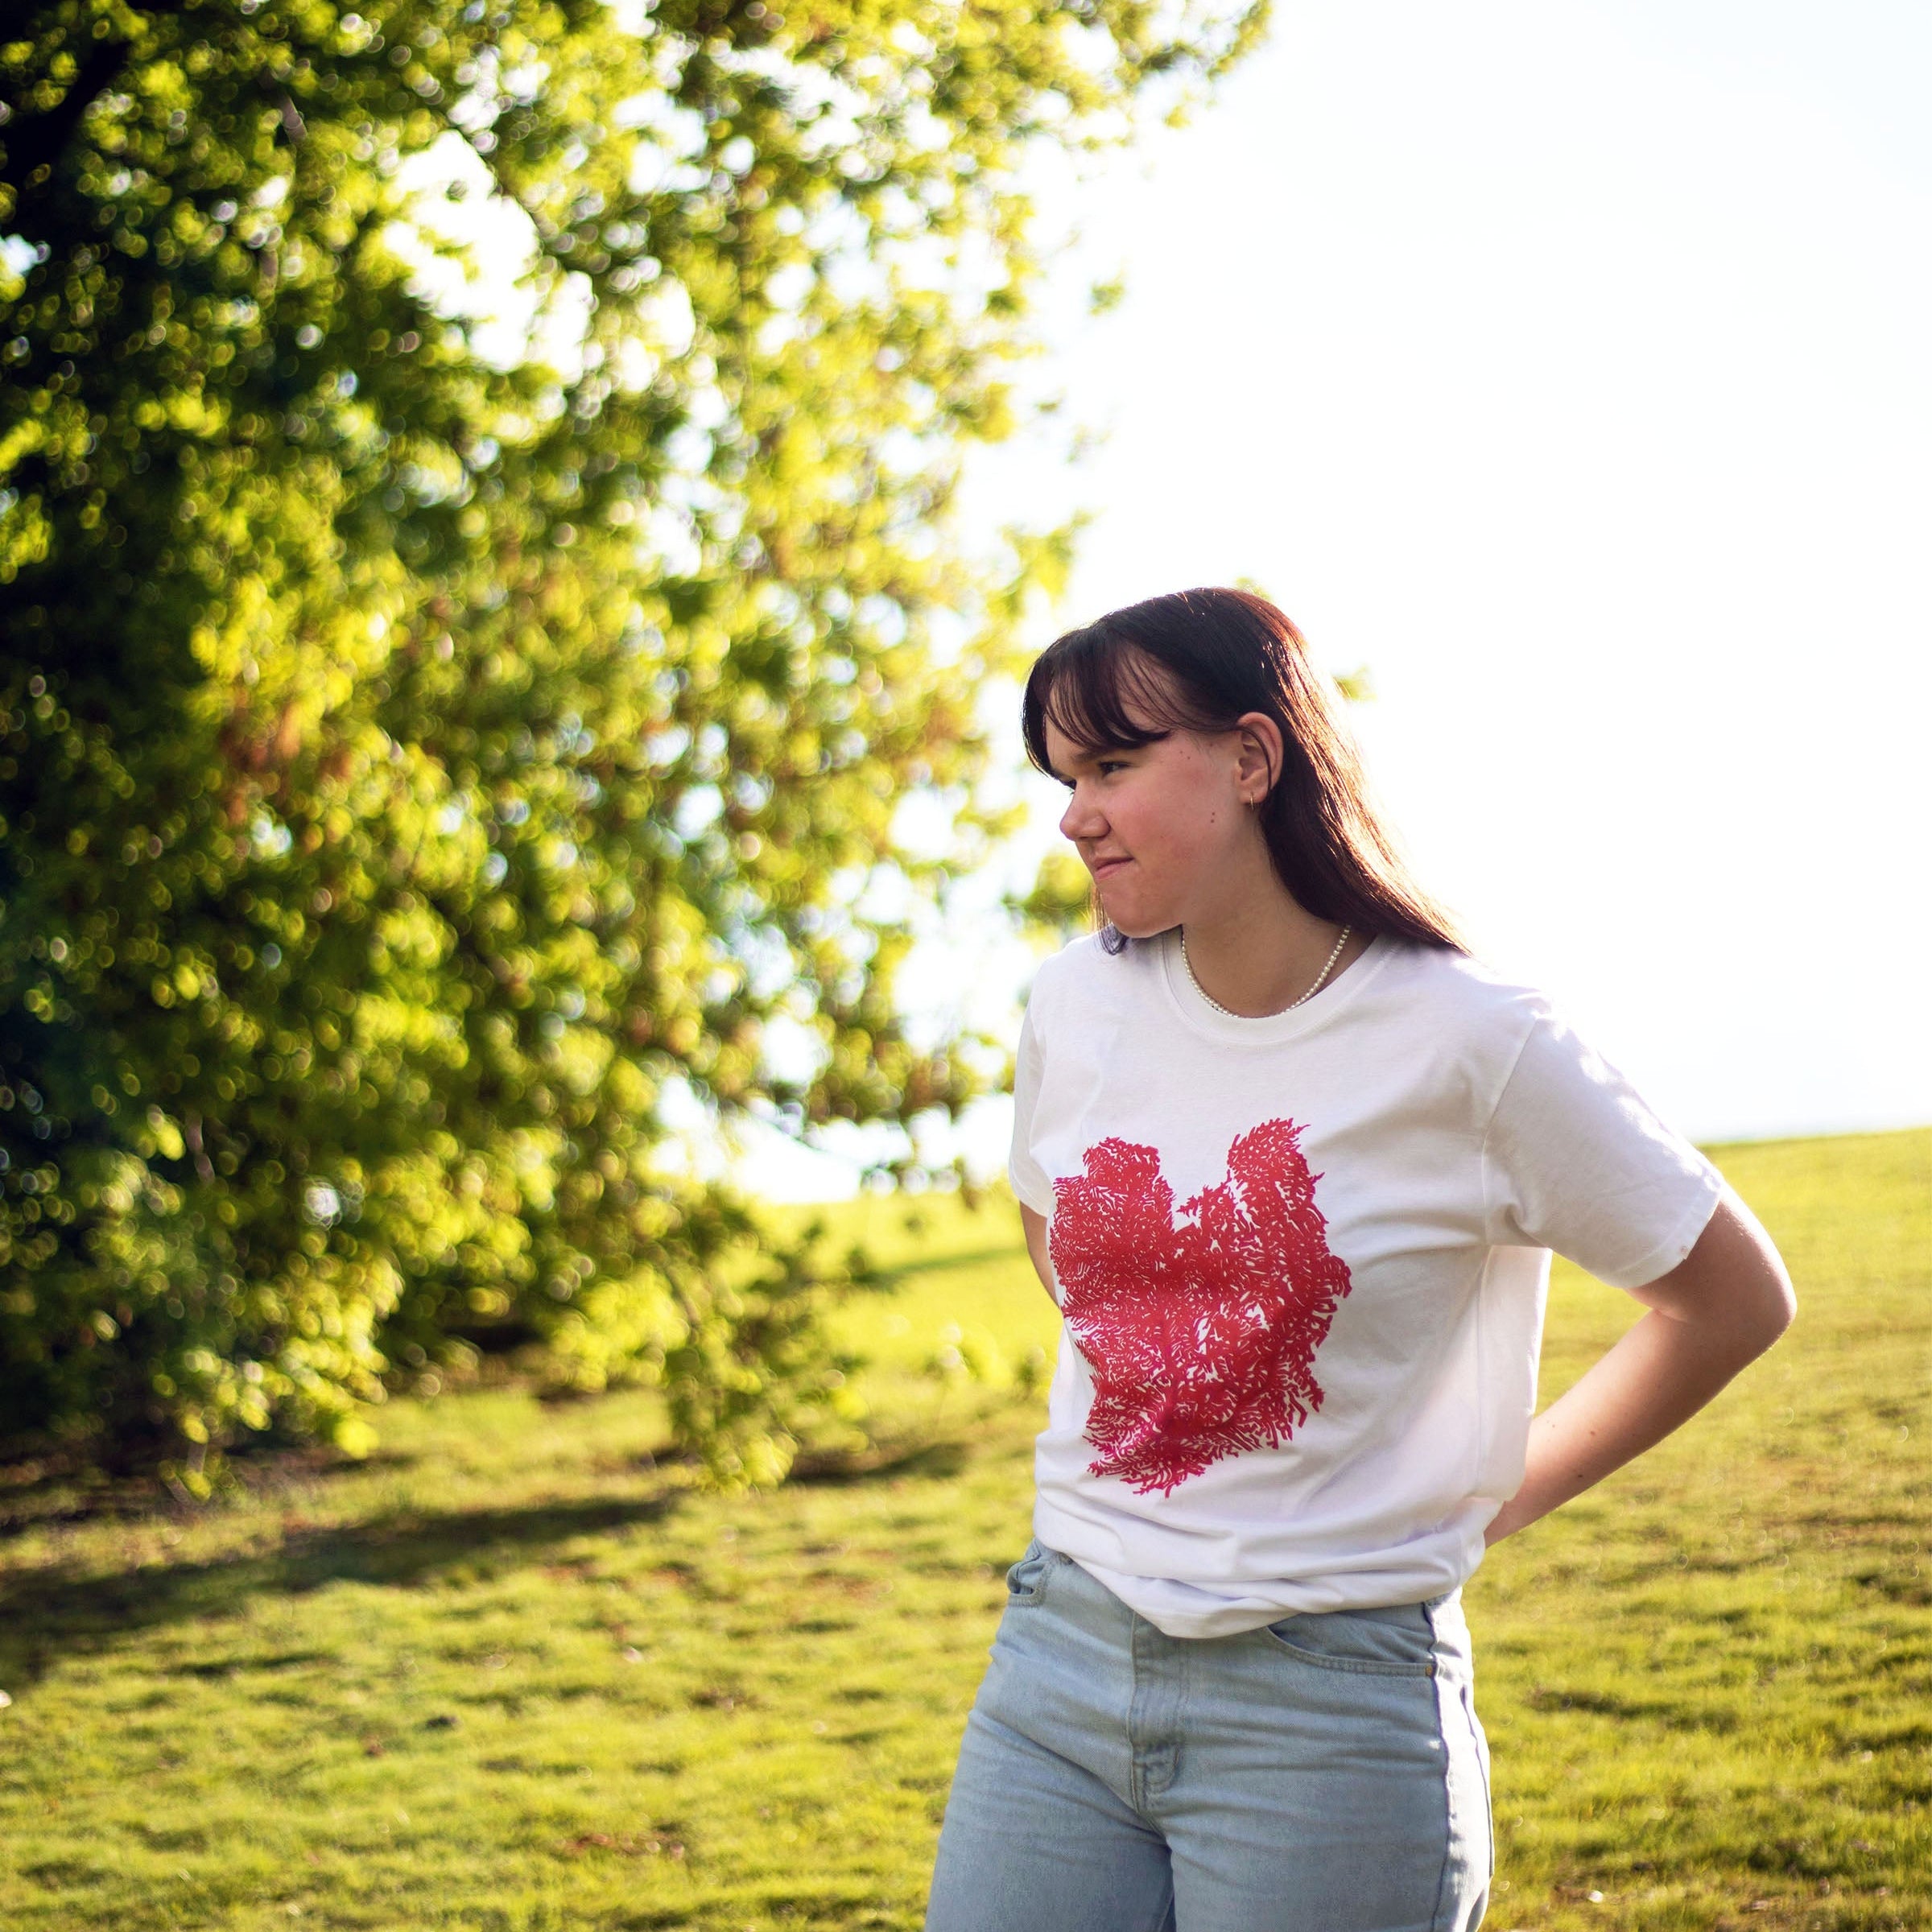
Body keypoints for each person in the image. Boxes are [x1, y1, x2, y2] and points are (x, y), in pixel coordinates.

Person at [923, 587, 1794, 1932]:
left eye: (1113, 766)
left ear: (1255, 759)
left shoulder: (1472, 1040)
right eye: (1062, 775)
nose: (1073, 813)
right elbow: (1058, 1230)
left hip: (1328, 1713)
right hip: (1062, 1657)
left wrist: (1489, 1495)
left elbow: (1730, 1298)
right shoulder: (1074, 1001)